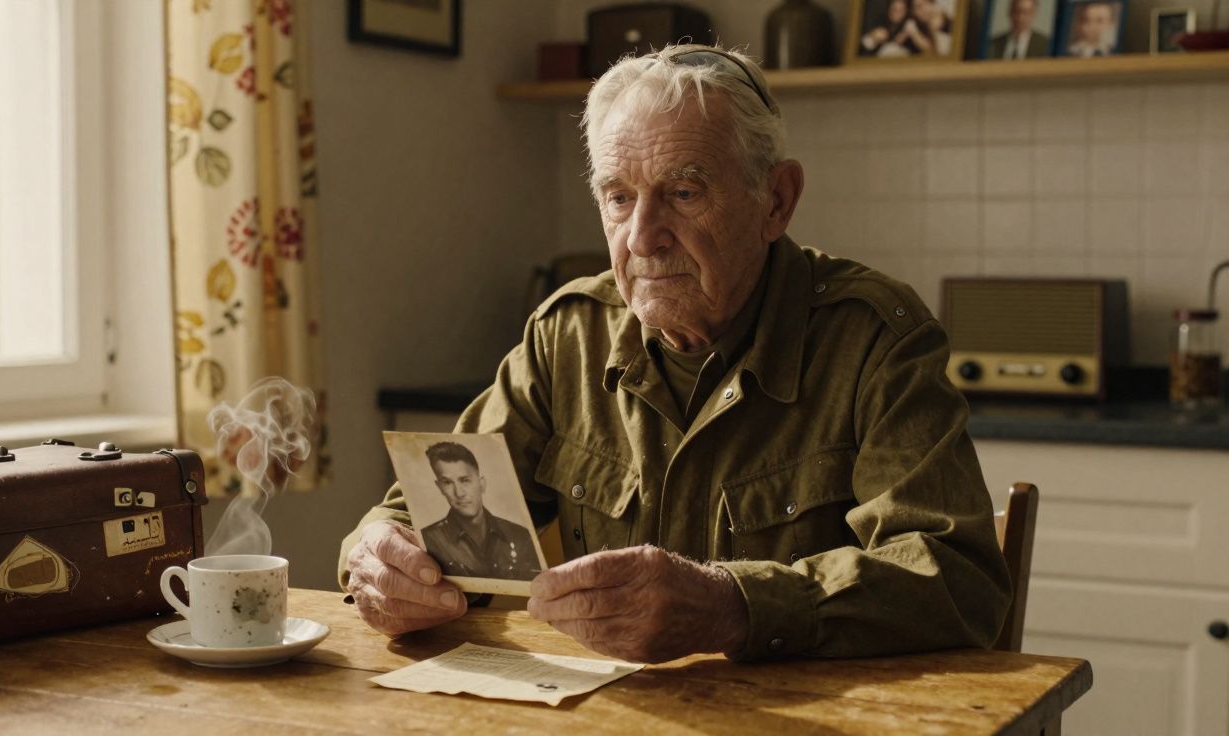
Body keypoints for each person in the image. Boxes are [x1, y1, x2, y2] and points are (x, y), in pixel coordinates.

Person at [339, 44, 1011, 663]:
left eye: (684, 194)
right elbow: (419, 516)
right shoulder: (568, 335)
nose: (642, 237)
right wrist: (378, 554)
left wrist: (733, 605)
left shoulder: (874, 340)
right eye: (618, 198)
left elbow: (958, 579)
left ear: (776, 202)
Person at [417, 441, 542, 581]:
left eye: (465, 480)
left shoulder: (520, 535)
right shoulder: (429, 539)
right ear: (439, 487)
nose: (459, 493)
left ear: (481, 484)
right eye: (447, 483)